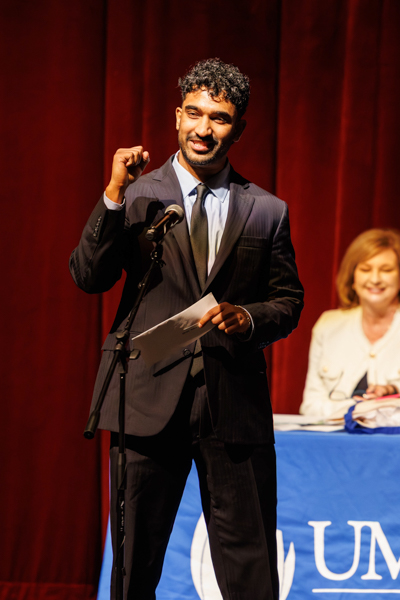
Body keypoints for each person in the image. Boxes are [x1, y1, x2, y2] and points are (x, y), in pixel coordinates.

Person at [69, 59, 303, 600]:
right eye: (194, 114)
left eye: (219, 118)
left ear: (238, 128)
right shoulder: (138, 193)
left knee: (251, 573)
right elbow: (88, 275)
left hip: (232, 406)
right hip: (145, 398)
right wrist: (112, 194)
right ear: (177, 118)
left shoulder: (266, 209)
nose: (204, 128)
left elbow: (289, 301)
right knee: (133, 569)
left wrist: (249, 318)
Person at [299, 228, 400, 419]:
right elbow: (311, 405)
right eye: (365, 269)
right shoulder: (328, 325)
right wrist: (359, 410)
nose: (375, 279)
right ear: (353, 278)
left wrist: (393, 390)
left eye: (386, 270)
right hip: (340, 437)